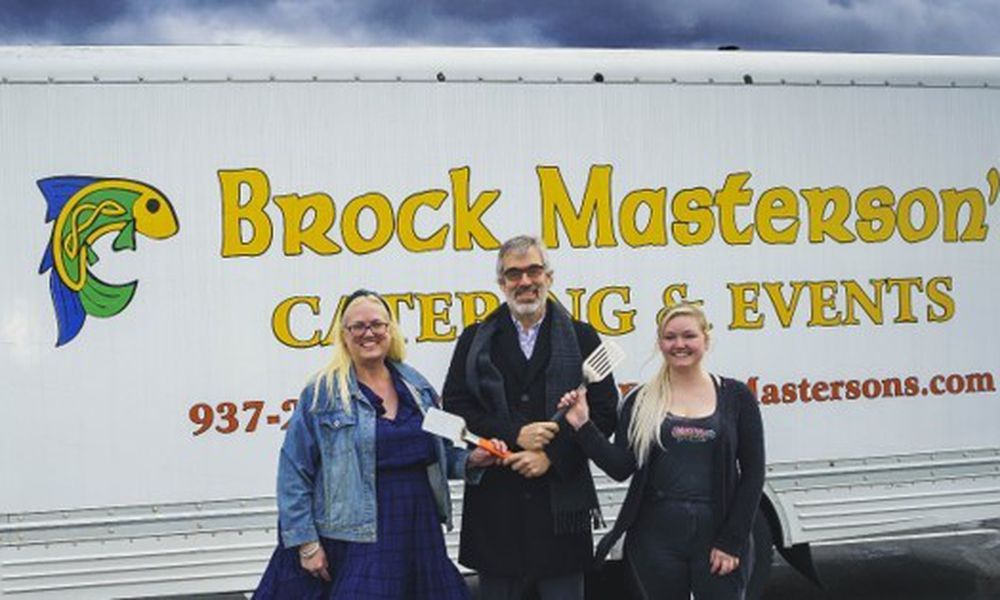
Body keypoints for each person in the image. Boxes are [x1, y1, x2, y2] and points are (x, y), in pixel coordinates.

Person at [254, 289, 506, 600]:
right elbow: (294, 471)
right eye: (357, 326)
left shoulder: (417, 387)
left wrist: (472, 460)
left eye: (377, 324)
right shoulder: (323, 394)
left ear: (390, 330)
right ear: (344, 336)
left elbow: (439, 453)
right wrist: (306, 544)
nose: (368, 333)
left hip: (417, 526)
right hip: (357, 534)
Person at [442, 235, 619, 600]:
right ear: (501, 283)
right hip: (496, 512)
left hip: (561, 514)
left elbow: (603, 414)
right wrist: (515, 433)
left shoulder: (583, 337)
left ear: (549, 277)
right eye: (514, 274)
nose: (525, 281)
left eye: (533, 270)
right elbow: (456, 406)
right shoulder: (475, 339)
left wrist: (550, 456)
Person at [556, 301, 765, 600]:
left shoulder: (736, 397)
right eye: (670, 337)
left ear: (706, 339)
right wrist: (582, 425)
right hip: (656, 537)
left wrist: (732, 541)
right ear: (659, 343)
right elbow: (620, 467)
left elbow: (753, 474)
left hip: (716, 533)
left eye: (689, 336)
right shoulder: (641, 400)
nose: (679, 344)